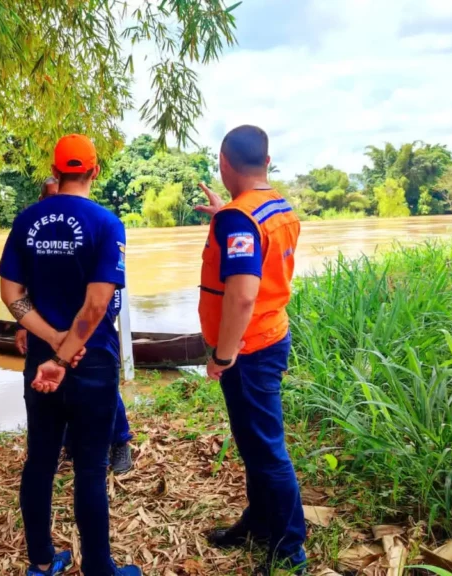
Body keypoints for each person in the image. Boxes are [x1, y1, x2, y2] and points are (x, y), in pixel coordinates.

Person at [0, 134, 140, 576]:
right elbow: (98, 304)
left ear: (56, 171)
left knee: (40, 460)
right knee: (91, 468)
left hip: (41, 360)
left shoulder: (26, 220)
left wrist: (52, 340)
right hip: (90, 359)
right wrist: (68, 350)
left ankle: (41, 561)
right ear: (95, 171)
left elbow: (11, 295)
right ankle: (99, 568)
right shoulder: (106, 223)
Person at [194, 125, 307, 574]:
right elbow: (255, 247)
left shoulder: (241, 219)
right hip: (270, 333)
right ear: (266, 160)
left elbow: (242, 295)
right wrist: (227, 213)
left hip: (250, 347)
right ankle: (261, 521)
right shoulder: (277, 206)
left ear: (224, 161)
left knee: (264, 446)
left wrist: (223, 356)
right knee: (252, 441)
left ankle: (290, 548)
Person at [15, 178, 135, 475]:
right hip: (46, 333)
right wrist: (21, 325)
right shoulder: (34, 233)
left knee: (101, 390)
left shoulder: (98, 225)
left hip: (89, 334)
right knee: (53, 391)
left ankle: (120, 441)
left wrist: (89, 328)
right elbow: (21, 289)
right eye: (54, 198)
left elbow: (107, 295)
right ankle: (66, 445)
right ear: (44, 202)